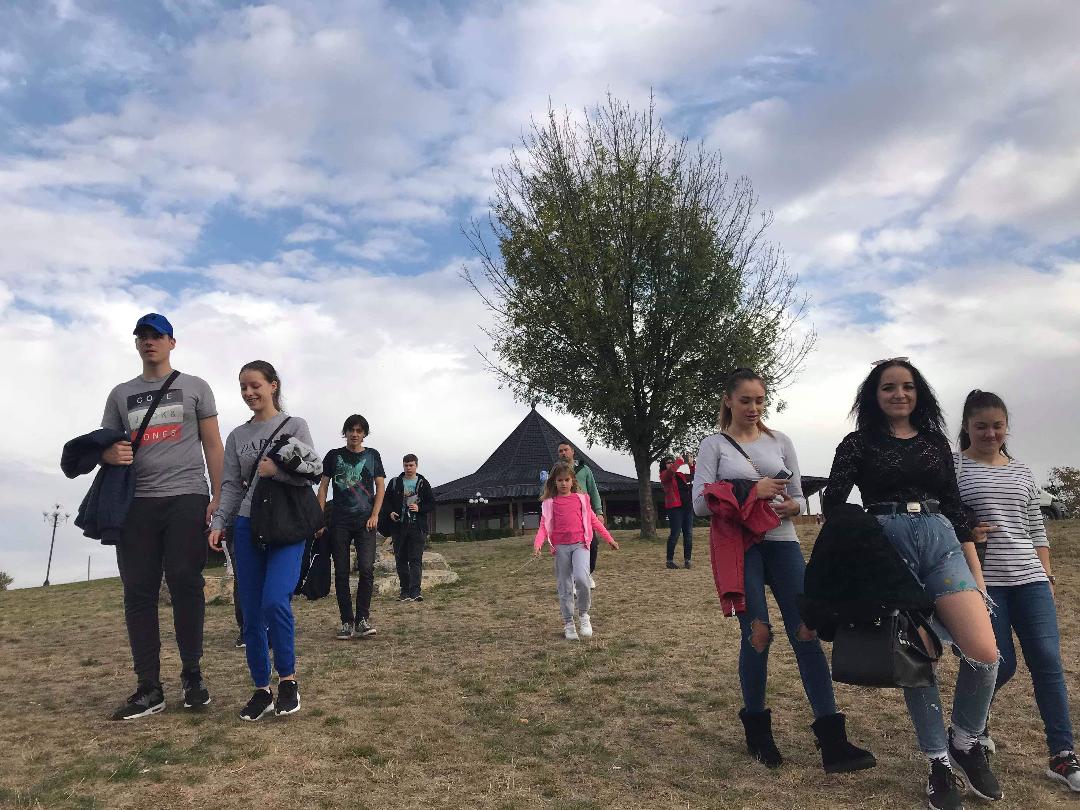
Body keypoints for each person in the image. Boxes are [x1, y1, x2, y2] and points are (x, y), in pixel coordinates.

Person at [824, 359, 1002, 810]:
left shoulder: (935, 442)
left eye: (907, 386)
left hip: (941, 541)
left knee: (985, 654)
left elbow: (955, 507)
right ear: (874, 395)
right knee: (917, 657)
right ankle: (938, 763)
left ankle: (965, 741)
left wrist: (977, 577)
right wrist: (865, 551)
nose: (899, 394)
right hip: (888, 549)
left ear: (918, 393)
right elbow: (834, 504)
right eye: (888, 387)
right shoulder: (857, 443)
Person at [693, 368, 875, 774]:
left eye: (760, 400)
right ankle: (758, 730)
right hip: (741, 547)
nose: (753, 408)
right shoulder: (713, 445)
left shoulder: (780, 441)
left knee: (806, 630)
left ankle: (833, 739)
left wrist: (792, 505)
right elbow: (700, 504)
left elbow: (795, 499)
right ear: (728, 400)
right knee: (758, 633)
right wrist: (750, 490)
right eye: (745, 400)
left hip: (783, 541)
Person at [955, 389, 1079, 792]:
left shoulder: (1022, 470)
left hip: (1030, 578)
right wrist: (966, 531)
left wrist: (1047, 574)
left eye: (998, 426)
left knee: (1047, 660)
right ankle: (971, 727)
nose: (990, 434)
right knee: (999, 663)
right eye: (981, 426)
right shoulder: (954, 467)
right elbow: (946, 519)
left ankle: (1062, 754)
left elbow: (1035, 527)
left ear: (1006, 427)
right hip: (984, 582)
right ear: (967, 427)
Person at [101, 313, 224, 721]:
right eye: (142, 336)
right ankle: (148, 687)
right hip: (136, 503)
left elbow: (213, 445)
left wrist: (219, 496)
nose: (149, 341)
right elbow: (106, 444)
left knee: (186, 582)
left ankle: (192, 675)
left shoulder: (196, 387)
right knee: (138, 592)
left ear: (172, 342)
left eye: (157, 335)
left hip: (186, 496)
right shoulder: (120, 394)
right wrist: (107, 453)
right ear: (136, 344)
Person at [209, 361, 318, 721]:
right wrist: (219, 522)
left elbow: (312, 473)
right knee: (252, 614)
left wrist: (277, 472)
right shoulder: (237, 436)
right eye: (243, 387)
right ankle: (261, 689)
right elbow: (229, 485)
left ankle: (288, 681)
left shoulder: (295, 425)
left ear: (273, 385)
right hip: (246, 525)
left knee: (275, 601)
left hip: (286, 524)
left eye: (255, 385)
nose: (248, 392)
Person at [316, 414, 386, 639]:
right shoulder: (333, 455)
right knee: (342, 572)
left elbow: (380, 487)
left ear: (364, 434)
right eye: (351, 430)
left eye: (359, 431)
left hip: (366, 521)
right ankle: (346, 621)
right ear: (345, 432)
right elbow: (323, 487)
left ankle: (362, 619)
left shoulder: (372, 455)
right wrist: (319, 518)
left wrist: (375, 515)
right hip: (340, 521)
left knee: (366, 568)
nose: (354, 434)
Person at [532, 461, 619, 640]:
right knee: (565, 586)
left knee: (582, 579)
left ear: (573, 481)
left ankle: (584, 615)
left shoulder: (582, 499)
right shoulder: (549, 503)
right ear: (554, 482)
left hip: (581, 545)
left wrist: (609, 538)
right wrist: (537, 545)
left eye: (567, 480)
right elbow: (543, 527)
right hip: (561, 548)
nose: (563, 483)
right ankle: (568, 623)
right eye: (560, 480)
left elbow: (594, 521)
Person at [384, 454, 435, 602]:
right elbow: (385, 501)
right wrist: (390, 512)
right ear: (403, 466)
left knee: (415, 559)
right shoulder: (395, 482)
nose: (408, 468)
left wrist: (420, 508)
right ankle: (404, 591)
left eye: (411, 465)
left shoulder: (423, 482)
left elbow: (431, 503)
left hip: (417, 527)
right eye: (406, 465)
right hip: (398, 527)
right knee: (400, 559)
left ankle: (416, 591)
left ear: (416, 466)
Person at [556, 441, 604, 587]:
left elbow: (593, 490)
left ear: (572, 451)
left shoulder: (584, 469)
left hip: (585, 513)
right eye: (560, 451)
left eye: (566, 450)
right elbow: (548, 491)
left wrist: (599, 511)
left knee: (592, 545)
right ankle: (574, 579)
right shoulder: (556, 471)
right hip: (567, 514)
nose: (563, 453)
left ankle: (587, 573)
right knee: (570, 547)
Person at [660, 454, 695, 569]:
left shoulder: (679, 475)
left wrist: (691, 465)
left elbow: (693, 476)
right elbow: (670, 472)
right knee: (675, 534)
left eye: (672, 462)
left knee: (688, 534)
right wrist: (679, 461)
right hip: (675, 508)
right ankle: (669, 560)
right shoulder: (664, 475)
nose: (671, 464)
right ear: (664, 465)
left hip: (687, 506)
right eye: (668, 462)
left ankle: (687, 560)